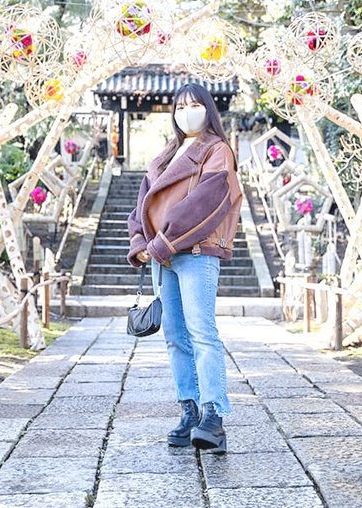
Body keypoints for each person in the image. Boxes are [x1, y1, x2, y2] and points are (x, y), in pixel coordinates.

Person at [126, 83, 243, 454]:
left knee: (202, 333)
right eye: (180, 106)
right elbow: (141, 206)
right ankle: (189, 410)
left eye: (194, 105)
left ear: (208, 109)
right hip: (164, 256)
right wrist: (140, 243)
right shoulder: (165, 155)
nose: (186, 112)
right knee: (175, 335)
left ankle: (214, 415)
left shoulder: (217, 150)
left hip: (195, 251)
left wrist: (161, 242)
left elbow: (205, 204)